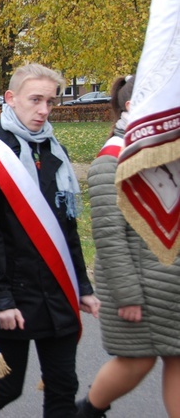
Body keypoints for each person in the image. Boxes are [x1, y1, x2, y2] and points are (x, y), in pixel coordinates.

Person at [0, 63, 100, 416]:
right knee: (5, 388)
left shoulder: (52, 150)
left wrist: (83, 286)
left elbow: (68, 229)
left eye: (50, 101)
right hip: (15, 293)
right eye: (35, 100)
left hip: (57, 291)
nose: (44, 110)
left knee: (63, 386)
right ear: (11, 99)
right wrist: (1, 299)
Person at [77, 75, 180, 418]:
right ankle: (89, 411)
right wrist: (127, 295)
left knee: (175, 357)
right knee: (136, 362)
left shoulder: (166, 153)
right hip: (139, 287)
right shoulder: (111, 161)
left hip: (170, 284)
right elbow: (108, 237)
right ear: (133, 108)